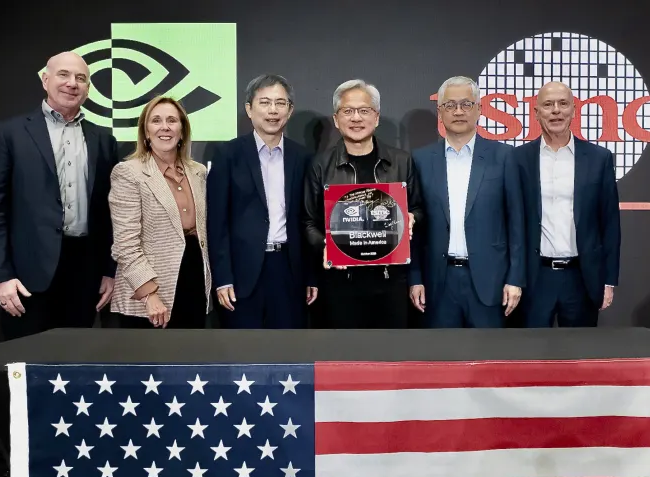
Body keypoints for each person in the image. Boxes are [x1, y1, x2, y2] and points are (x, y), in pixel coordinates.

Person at [0, 51, 119, 477]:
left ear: (89, 87)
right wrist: (1, 275)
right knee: (20, 374)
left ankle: (70, 466)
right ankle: (11, 469)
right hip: (27, 274)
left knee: (74, 373)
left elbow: (106, 212)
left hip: (83, 273)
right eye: (64, 75)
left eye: (82, 77)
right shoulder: (10, 132)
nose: (73, 83)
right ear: (44, 79)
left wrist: (109, 271)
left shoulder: (102, 137)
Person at [301, 79, 424, 329]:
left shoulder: (401, 162)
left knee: (390, 359)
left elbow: (419, 209)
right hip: (339, 283)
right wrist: (327, 245)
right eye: (348, 111)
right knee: (345, 359)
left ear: (376, 117)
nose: (356, 118)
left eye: (364, 110)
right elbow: (308, 221)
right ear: (336, 119)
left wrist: (412, 218)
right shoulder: (320, 165)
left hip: (390, 281)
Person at [409, 76, 525, 327]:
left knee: (489, 362)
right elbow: (415, 227)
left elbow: (516, 223)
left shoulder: (504, 157)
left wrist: (515, 278)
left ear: (480, 109)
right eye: (450, 105)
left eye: (466, 104)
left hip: (490, 281)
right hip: (438, 282)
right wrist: (415, 276)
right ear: (439, 112)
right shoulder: (420, 160)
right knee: (441, 362)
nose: (458, 111)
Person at [206, 74, 316, 328]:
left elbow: (308, 220)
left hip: (289, 270)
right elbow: (217, 223)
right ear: (249, 109)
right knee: (243, 354)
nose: (272, 111)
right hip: (242, 274)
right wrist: (223, 278)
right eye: (265, 102)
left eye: (280, 103)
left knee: (288, 353)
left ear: (290, 111)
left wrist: (312, 276)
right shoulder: (227, 155)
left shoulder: (304, 157)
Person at [511, 81, 620, 327]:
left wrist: (608, 280)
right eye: (548, 105)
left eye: (563, 104)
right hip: (534, 277)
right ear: (536, 112)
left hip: (582, 277)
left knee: (580, 359)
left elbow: (610, 223)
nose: (556, 110)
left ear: (573, 110)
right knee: (531, 357)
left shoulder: (599, 159)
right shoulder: (518, 159)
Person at [108, 96, 212, 329]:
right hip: (149, 291)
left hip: (193, 279)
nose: (164, 127)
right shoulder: (128, 173)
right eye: (156, 121)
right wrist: (149, 293)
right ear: (145, 132)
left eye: (172, 121)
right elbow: (125, 244)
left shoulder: (198, 172)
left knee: (189, 361)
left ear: (182, 131)